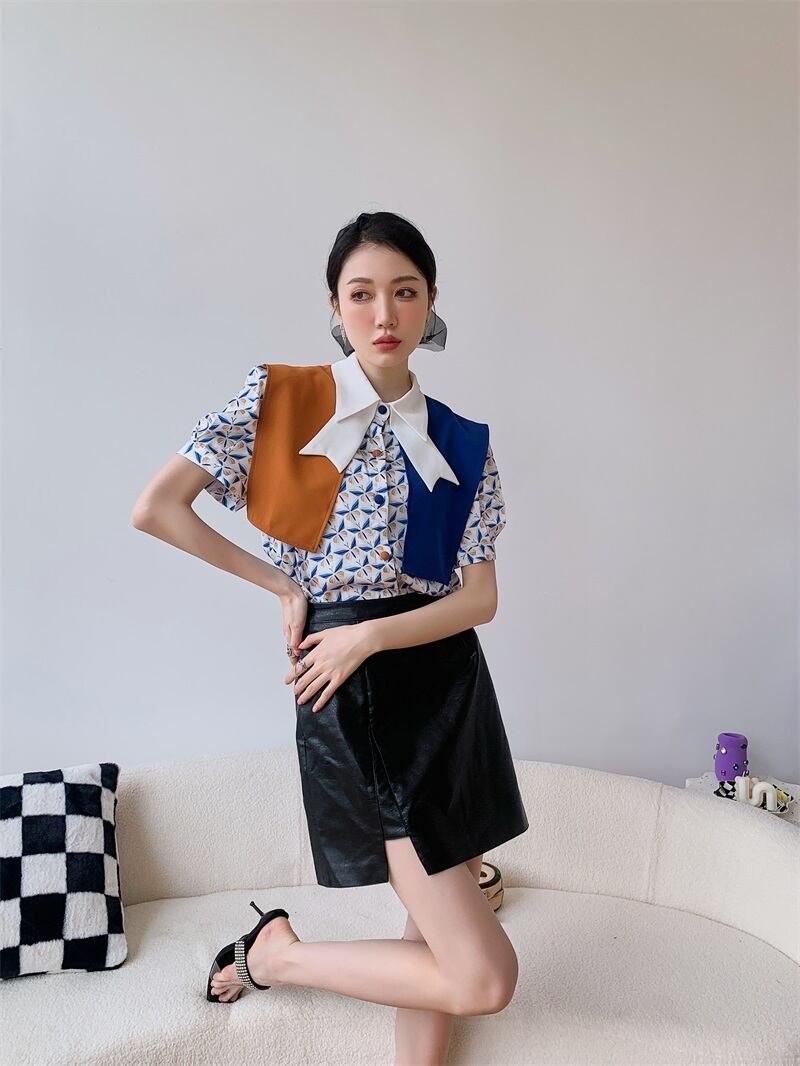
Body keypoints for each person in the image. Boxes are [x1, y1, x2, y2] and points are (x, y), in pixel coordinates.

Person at [131, 210, 529, 1065]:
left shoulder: (463, 441)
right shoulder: (278, 396)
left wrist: (373, 637)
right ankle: (276, 954)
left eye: (405, 292)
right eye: (362, 294)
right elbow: (158, 508)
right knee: (484, 978)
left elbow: (481, 599)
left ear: (430, 303)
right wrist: (282, 585)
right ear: (335, 306)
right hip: (354, 689)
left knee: (433, 925)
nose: (384, 314)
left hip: (447, 684)